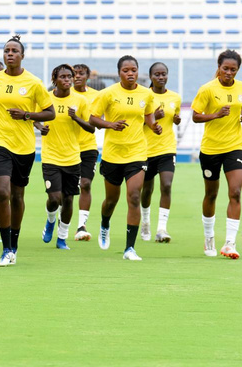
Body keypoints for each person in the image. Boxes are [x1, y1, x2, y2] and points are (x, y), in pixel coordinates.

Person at [0, 35, 54, 266]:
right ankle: (5, 249)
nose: (10, 54)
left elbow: (50, 112)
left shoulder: (34, 82)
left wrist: (27, 115)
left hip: (24, 146)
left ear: (22, 55)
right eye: (7, 51)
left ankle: (14, 244)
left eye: (14, 51)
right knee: (2, 193)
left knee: (17, 196)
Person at [89, 55, 161, 261]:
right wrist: (110, 125)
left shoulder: (146, 94)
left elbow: (148, 114)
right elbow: (93, 118)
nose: (130, 73)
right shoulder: (108, 93)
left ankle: (130, 248)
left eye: (133, 70)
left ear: (138, 72)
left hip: (137, 152)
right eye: (126, 70)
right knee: (111, 200)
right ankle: (105, 224)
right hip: (113, 154)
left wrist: (153, 126)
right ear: (119, 72)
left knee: (134, 196)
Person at [191, 50, 242, 259]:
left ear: (238, 70)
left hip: (235, 146)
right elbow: (195, 116)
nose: (229, 73)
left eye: (233, 69)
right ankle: (209, 237)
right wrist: (215, 115)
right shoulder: (207, 89)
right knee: (211, 194)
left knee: (235, 192)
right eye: (225, 68)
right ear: (219, 67)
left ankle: (230, 243)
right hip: (211, 149)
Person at [37, 64, 94, 250]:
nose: (68, 79)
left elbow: (91, 128)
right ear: (54, 79)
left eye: (69, 76)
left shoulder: (80, 100)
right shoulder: (46, 98)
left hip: (72, 158)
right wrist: (40, 127)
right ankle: (50, 220)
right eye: (63, 76)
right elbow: (35, 117)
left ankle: (62, 238)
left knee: (68, 200)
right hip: (50, 157)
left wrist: (76, 118)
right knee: (54, 198)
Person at [141, 62, 182, 243]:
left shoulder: (175, 97)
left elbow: (175, 117)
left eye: (163, 74)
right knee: (147, 190)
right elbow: (136, 121)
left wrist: (177, 120)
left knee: (166, 185)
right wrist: (153, 118)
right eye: (156, 74)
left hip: (167, 149)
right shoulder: (144, 96)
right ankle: (145, 222)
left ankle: (161, 229)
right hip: (146, 150)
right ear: (150, 77)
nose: (160, 77)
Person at [71, 63, 101, 241]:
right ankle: (58, 219)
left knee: (86, 184)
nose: (77, 76)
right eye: (74, 73)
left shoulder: (96, 96)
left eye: (81, 73)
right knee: (66, 190)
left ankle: (81, 226)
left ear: (88, 77)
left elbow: (99, 118)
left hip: (88, 146)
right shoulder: (64, 94)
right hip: (67, 148)